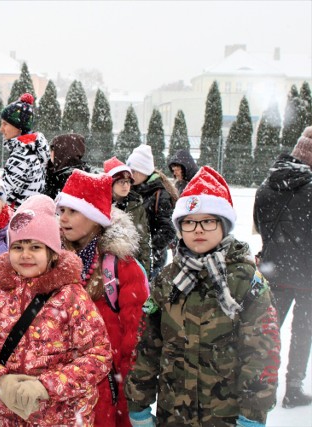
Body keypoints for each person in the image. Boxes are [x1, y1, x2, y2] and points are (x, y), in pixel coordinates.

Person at [125, 166, 280, 427]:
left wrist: (252, 415)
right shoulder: (167, 280)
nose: (198, 229)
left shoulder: (245, 282)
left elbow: (262, 354)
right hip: (172, 415)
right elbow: (148, 346)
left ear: (224, 225)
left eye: (208, 221)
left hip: (225, 417)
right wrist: (138, 403)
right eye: (189, 221)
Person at [0, 194, 113, 426]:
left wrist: (46, 386)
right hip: (6, 417)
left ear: (52, 253)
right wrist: (0, 382)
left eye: (35, 247)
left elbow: (98, 356)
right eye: (18, 246)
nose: (26, 254)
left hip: (63, 418)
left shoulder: (71, 296)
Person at [55, 169, 149, 427]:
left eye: (73, 211)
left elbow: (135, 335)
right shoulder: (51, 259)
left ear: (96, 218)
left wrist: (128, 394)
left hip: (106, 388)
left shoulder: (120, 267)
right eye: (61, 211)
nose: (64, 218)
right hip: (58, 387)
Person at [253, 125, 312, 409]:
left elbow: (259, 225)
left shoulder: (268, 184)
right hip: (308, 276)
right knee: (303, 332)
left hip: (273, 270)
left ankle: (263, 385)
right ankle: (293, 389)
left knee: (268, 331)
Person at [126, 144, 178, 279]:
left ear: (145, 171)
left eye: (135, 171)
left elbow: (168, 231)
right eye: (129, 171)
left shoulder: (160, 195)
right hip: (132, 257)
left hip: (152, 261)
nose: (131, 175)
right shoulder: (132, 189)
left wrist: (147, 247)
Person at [104, 156, 152, 275]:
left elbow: (143, 241)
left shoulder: (136, 206)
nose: (125, 185)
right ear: (110, 183)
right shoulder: (102, 205)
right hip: (105, 267)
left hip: (130, 266)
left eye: (128, 181)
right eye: (121, 182)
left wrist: (144, 271)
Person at [0, 93, 49, 208]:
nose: (1, 129)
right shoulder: (33, 152)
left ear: (19, 128)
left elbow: (1, 197)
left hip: (16, 219)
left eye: (5, 124)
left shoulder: (21, 157)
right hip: (28, 216)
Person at [44, 133, 93, 199]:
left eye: (53, 150)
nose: (50, 154)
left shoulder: (71, 178)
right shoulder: (51, 172)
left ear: (62, 151)